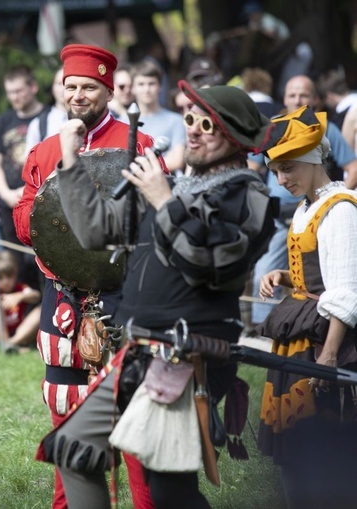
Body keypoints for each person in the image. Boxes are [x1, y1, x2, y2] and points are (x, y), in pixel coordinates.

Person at [39, 81, 278, 508]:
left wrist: (164, 201)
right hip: (137, 353)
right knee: (73, 448)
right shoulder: (173, 188)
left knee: (170, 491)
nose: (194, 130)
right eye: (190, 118)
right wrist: (71, 160)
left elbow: (210, 264)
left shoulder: (249, 195)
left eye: (209, 124)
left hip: (186, 358)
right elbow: (95, 231)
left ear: (236, 139)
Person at [13, 43, 165, 509]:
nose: (78, 95)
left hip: (122, 294)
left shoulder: (136, 143)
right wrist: (60, 175)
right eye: (72, 86)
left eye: (89, 87)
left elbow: (153, 220)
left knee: (136, 412)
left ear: (107, 90)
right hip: (63, 298)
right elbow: (25, 220)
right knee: (66, 410)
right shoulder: (44, 149)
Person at [256, 106, 357, 509]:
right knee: (294, 451)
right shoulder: (307, 207)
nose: (282, 179)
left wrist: (328, 357)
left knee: (322, 446)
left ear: (315, 158)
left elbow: (347, 290)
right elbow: (317, 273)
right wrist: (285, 277)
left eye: (289, 168)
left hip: (325, 341)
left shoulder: (342, 210)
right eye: (276, 170)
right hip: (300, 335)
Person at [250, 74, 357, 329]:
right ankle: (259, 327)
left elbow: (343, 289)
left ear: (316, 100)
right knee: (262, 272)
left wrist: (333, 201)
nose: (281, 180)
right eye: (292, 94)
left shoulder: (325, 130)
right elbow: (253, 167)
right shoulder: (273, 129)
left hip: (323, 325)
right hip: (283, 215)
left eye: (304, 95)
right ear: (283, 98)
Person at [0, 65, 46, 288]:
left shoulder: (47, 116)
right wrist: (5, 193)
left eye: (19, 91)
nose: (14, 97)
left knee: (42, 257)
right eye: (10, 92)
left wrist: (27, 192)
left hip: (38, 198)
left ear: (33, 87)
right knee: (16, 263)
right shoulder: (3, 120)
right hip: (9, 201)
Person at [130, 59, 187, 172]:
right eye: (141, 84)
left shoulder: (176, 120)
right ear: (133, 88)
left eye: (151, 84)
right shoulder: (121, 122)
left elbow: (177, 161)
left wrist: (138, 169)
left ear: (160, 86)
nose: (147, 89)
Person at [25, 66, 68, 153]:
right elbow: (29, 161)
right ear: (52, 88)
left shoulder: (89, 119)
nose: (64, 88)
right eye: (59, 84)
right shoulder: (38, 124)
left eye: (68, 84)